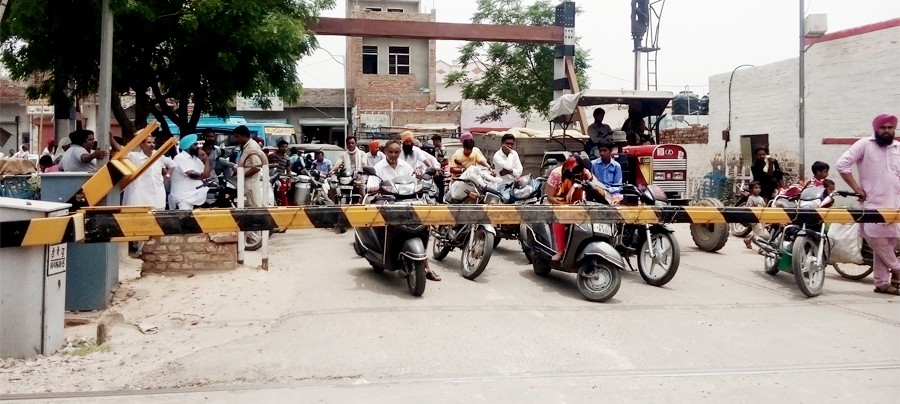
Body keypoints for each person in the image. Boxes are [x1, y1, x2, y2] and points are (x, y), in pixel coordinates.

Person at [836, 113, 900, 295]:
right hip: (873, 203)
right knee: (876, 240)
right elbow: (842, 164)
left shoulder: (897, 148)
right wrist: (856, 188)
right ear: (876, 129)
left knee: (888, 243)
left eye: (890, 128)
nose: (887, 131)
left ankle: (881, 283)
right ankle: (897, 268)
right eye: (883, 128)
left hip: (895, 205)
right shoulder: (864, 144)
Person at [366, 140, 441, 281]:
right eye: (390, 152)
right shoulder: (378, 168)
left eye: (396, 152)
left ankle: (427, 267)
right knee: (382, 219)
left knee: (424, 221)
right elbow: (370, 187)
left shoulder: (406, 166)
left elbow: (414, 183)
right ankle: (383, 253)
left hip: (407, 201)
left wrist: (419, 178)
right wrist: (377, 188)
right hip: (388, 201)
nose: (393, 155)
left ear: (399, 152)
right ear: (385, 151)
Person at [547, 155, 596, 261]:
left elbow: (593, 184)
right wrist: (563, 204)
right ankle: (561, 251)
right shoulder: (556, 174)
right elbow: (550, 197)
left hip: (578, 204)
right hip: (560, 205)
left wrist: (575, 186)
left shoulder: (585, 172)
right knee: (558, 218)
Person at [110, 132, 170, 210]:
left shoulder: (159, 156)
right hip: (140, 197)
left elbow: (172, 165)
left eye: (153, 142)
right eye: (149, 142)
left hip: (158, 197)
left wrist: (167, 175)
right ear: (141, 145)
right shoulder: (135, 157)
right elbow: (121, 149)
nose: (152, 144)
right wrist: (111, 139)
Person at [169, 134, 211, 210]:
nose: (198, 147)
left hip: (195, 196)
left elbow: (206, 175)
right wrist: (202, 177)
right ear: (188, 146)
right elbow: (192, 175)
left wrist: (206, 159)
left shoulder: (196, 159)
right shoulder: (180, 157)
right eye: (195, 144)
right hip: (183, 198)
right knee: (185, 221)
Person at [234, 125, 268, 208]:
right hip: (247, 183)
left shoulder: (252, 147)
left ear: (244, 136)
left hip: (251, 184)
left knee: (255, 207)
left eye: (237, 137)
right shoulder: (246, 146)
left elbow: (256, 167)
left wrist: (241, 175)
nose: (235, 139)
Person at [742, 181, 769, 249]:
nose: (758, 189)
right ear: (751, 189)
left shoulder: (761, 198)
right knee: (760, 234)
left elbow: (764, 207)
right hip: (755, 219)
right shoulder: (751, 198)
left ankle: (748, 240)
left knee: (759, 232)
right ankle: (761, 248)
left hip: (761, 218)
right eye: (756, 188)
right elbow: (749, 209)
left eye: (759, 188)